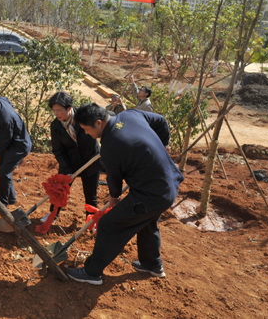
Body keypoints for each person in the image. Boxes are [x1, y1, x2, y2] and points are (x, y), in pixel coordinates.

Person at [66, 104, 183, 285]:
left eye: (87, 129)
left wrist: (114, 198)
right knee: (146, 222)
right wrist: (164, 143)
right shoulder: (130, 115)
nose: (87, 134)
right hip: (169, 183)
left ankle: (92, 272)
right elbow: (160, 121)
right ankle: (152, 264)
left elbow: (114, 179)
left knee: (108, 224)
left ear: (98, 123)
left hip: (151, 194)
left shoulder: (110, 147)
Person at [47, 92, 101, 222]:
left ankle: (92, 221)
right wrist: (66, 170)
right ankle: (52, 215)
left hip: (91, 161)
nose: (56, 114)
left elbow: (106, 124)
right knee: (59, 191)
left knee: (90, 195)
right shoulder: (56, 126)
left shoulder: (86, 117)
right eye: (54, 111)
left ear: (69, 108)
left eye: (59, 110)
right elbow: (58, 150)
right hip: (69, 162)